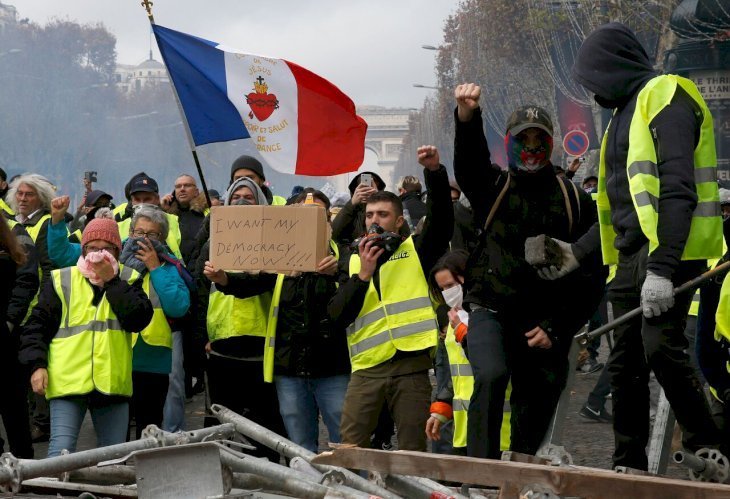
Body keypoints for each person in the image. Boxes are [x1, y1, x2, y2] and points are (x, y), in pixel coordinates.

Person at [565, 22, 725, 469]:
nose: (592, 91)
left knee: (661, 348)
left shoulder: (666, 94)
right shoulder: (622, 113)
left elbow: (677, 189)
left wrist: (662, 268)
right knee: (624, 366)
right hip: (631, 258)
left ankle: (709, 446)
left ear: (611, 68)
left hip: (668, 254)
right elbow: (620, 205)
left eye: (593, 79)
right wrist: (576, 253)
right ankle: (627, 462)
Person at [453, 84, 605, 459]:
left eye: (540, 139)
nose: (533, 148)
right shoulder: (493, 187)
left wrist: (558, 327)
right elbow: (468, 166)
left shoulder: (574, 200)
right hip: (491, 309)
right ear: (509, 142)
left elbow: (592, 275)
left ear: (551, 143)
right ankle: (482, 474)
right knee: (489, 377)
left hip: (546, 322)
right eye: (525, 139)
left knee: (535, 405)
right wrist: (468, 118)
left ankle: (519, 473)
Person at [328, 145, 453, 452]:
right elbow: (336, 315)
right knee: (351, 447)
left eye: (383, 215)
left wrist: (435, 173)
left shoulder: (416, 250)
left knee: (412, 450)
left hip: (410, 367)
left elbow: (441, 222)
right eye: (369, 214)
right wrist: (363, 277)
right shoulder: (352, 261)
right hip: (366, 369)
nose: (374, 220)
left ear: (398, 222)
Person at [205, 188, 350, 454]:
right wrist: (223, 278)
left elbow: (356, 294)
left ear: (328, 220)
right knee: (299, 443)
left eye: (317, 214)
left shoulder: (345, 256)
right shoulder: (281, 258)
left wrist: (335, 274)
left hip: (334, 364)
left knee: (344, 440)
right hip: (290, 366)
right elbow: (252, 282)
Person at [18, 217, 153, 456]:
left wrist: (112, 280)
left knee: (113, 458)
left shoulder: (130, 278)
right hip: (67, 381)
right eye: (92, 247)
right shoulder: (62, 280)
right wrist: (37, 366)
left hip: (112, 383)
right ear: (83, 249)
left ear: (117, 251)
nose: (99, 254)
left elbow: (138, 319)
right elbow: (36, 327)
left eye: (106, 248)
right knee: (61, 453)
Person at [199, 176, 287, 461]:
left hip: (261, 347)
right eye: (236, 197)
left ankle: (271, 474)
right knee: (221, 423)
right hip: (222, 347)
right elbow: (200, 292)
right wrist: (203, 338)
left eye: (248, 198)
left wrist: (227, 278)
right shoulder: (214, 241)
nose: (241, 202)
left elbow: (265, 285)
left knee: (266, 423)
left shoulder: (273, 242)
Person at [425, 250, 511, 455]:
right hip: (466, 431)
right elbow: (452, 371)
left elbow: (491, 365)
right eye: (442, 288)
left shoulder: (493, 314)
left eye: (451, 285)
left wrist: (464, 334)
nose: (447, 293)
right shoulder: (455, 317)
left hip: (501, 432)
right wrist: (442, 407)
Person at [6, 173, 57, 442]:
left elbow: (48, 269)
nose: (22, 199)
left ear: (42, 198)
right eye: (20, 194)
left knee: (36, 365)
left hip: (37, 307)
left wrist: (44, 304)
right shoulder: (12, 224)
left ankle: (41, 423)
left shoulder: (47, 224)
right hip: (19, 308)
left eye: (29, 194)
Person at [0, 217, 34, 458]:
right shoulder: (12, 258)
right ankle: (25, 468)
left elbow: (25, 286)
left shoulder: (9, 260)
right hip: (10, 336)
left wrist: (9, 321)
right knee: (15, 409)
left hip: (7, 339)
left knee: (14, 408)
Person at [161, 174, 209, 267]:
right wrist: (163, 210)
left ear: (196, 192)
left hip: (204, 273)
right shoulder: (168, 216)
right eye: (178, 187)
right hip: (177, 272)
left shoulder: (208, 214)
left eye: (187, 185)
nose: (182, 189)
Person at [330, 171, 387, 245]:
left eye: (371, 187)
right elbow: (334, 233)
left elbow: (400, 230)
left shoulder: (387, 209)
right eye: (362, 188)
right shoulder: (351, 212)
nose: (366, 190)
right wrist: (351, 203)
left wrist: (378, 199)